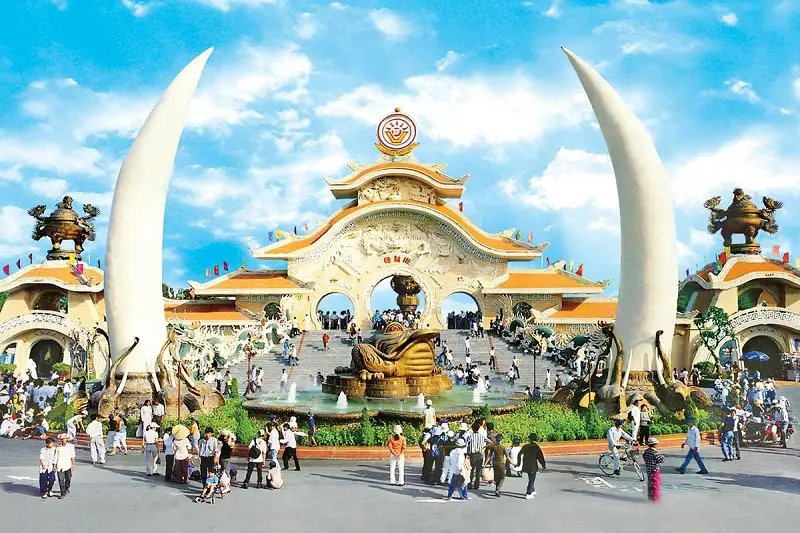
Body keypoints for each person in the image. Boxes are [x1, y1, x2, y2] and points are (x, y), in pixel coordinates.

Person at [517, 432, 547, 499]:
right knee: (532, 480)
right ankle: (528, 493)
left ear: (529, 439)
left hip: (526, 465)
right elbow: (540, 457)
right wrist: (543, 465)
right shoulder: (536, 447)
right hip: (533, 466)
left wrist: (519, 463)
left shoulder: (526, 446)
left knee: (530, 478)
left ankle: (533, 490)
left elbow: (519, 454)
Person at [465, 420, 489, 491]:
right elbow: (489, 441)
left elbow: (466, 444)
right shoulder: (482, 436)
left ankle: (469, 484)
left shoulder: (470, 436)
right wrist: (483, 448)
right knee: (478, 471)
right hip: (479, 454)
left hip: (472, 454)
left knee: (471, 470)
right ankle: (476, 485)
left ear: (472, 429)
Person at [54, 433, 76, 499]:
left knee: (68, 478)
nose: (62, 440)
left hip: (67, 465)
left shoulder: (71, 446)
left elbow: (73, 456)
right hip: (60, 465)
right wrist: (54, 465)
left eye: (64, 439)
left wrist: (73, 464)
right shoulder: (58, 447)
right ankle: (62, 493)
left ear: (67, 439)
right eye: (61, 439)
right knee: (61, 480)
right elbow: (56, 456)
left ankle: (67, 487)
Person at [642, 437, 664, 502]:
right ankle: (655, 499)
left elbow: (644, 458)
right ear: (654, 444)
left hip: (648, 469)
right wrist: (662, 456)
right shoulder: (654, 452)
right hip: (654, 470)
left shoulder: (646, 451)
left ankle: (650, 497)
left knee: (650, 484)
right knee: (655, 484)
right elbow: (661, 460)